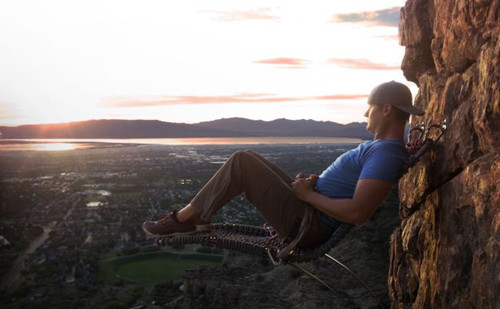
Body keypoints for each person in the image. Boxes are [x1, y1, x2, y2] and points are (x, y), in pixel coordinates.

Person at [142, 81, 424, 251]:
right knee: (248, 157)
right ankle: (192, 218)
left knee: (242, 161)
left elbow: (358, 212)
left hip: (307, 223)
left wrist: (308, 195)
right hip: (308, 211)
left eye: (370, 106)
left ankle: (185, 220)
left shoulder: (386, 153)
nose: (365, 112)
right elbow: (349, 193)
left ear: (386, 109)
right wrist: (314, 185)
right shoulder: (379, 149)